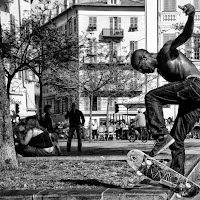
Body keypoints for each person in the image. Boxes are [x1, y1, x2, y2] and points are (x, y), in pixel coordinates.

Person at [131, 4, 198, 175]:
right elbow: (176, 91)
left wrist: (191, 16)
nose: (143, 73)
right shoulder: (160, 69)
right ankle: (179, 177)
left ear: (145, 57)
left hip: (195, 85)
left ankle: (161, 136)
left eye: (141, 68)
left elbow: (185, 35)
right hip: (193, 100)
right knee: (177, 139)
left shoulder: (166, 51)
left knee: (151, 96)